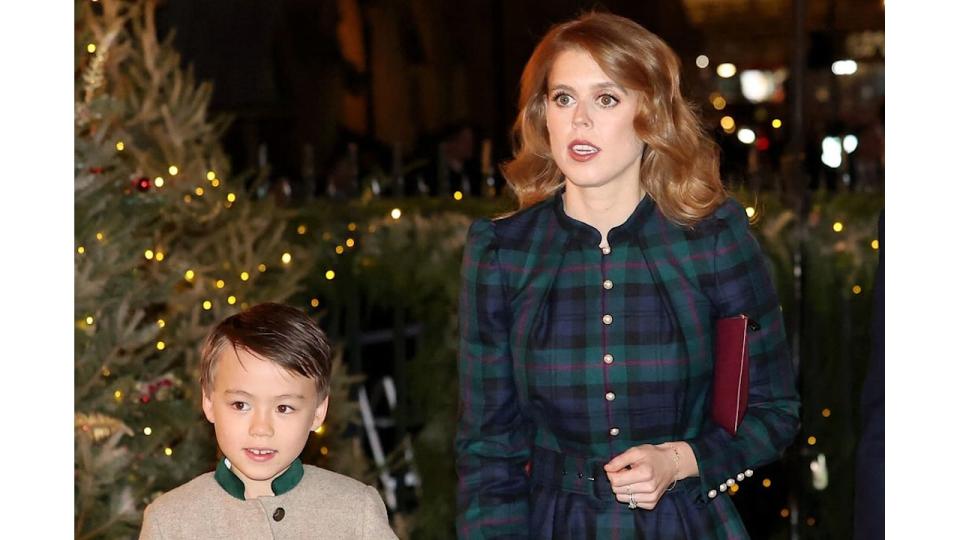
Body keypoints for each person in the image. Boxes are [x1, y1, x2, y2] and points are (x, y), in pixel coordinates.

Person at [455, 12, 800, 538]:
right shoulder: (503, 252)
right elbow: (488, 448)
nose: (579, 121)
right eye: (563, 98)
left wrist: (683, 459)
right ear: (542, 113)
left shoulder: (711, 238)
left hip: (684, 522)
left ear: (652, 114)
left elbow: (773, 410)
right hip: (555, 525)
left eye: (607, 99)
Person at [139, 303, 397, 539]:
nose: (261, 429)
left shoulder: (354, 510)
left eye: (284, 408)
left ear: (318, 412)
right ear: (208, 402)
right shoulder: (169, 522)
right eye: (241, 405)